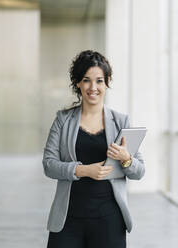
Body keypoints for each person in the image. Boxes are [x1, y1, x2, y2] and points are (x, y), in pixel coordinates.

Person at [42, 50, 145, 248]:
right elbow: (48, 164)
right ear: (78, 83)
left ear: (107, 83)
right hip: (68, 219)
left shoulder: (121, 122)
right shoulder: (63, 120)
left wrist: (126, 159)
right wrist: (83, 170)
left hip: (109, 221)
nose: (93, 87)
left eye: (99, 81)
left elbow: (139, 171)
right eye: (86, 80)